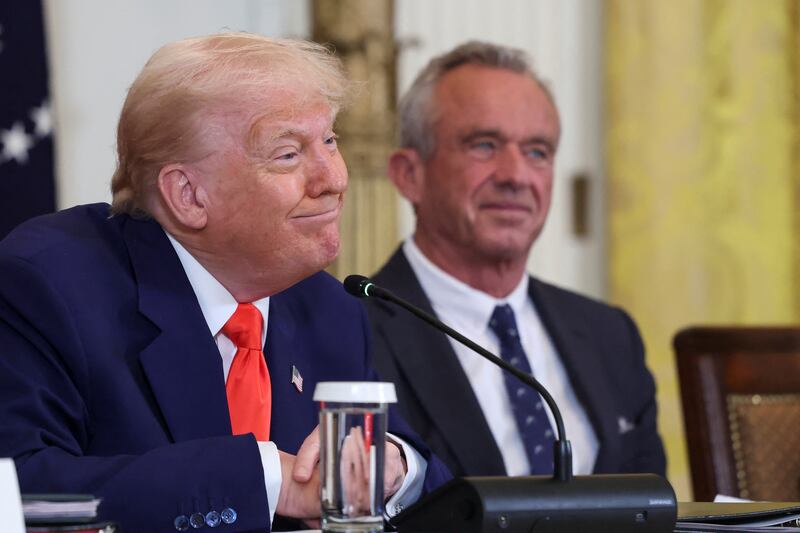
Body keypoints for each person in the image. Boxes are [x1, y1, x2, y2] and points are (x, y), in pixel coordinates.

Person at [0, 33, 449, 533]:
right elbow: (21, 493)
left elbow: (441, 493)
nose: (334, 178)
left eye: (329, 140)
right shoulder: (50, 283)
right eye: (287, 155)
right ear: (188, 195)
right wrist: (261, 480)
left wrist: (392, 466)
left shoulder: (329, 308)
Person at [365, 41, 666, 479]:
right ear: (410, 175)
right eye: (484, 146)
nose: (516, 176)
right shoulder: (351, 333)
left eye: (537, 152)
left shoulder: (610, 335)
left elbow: (651, 507)